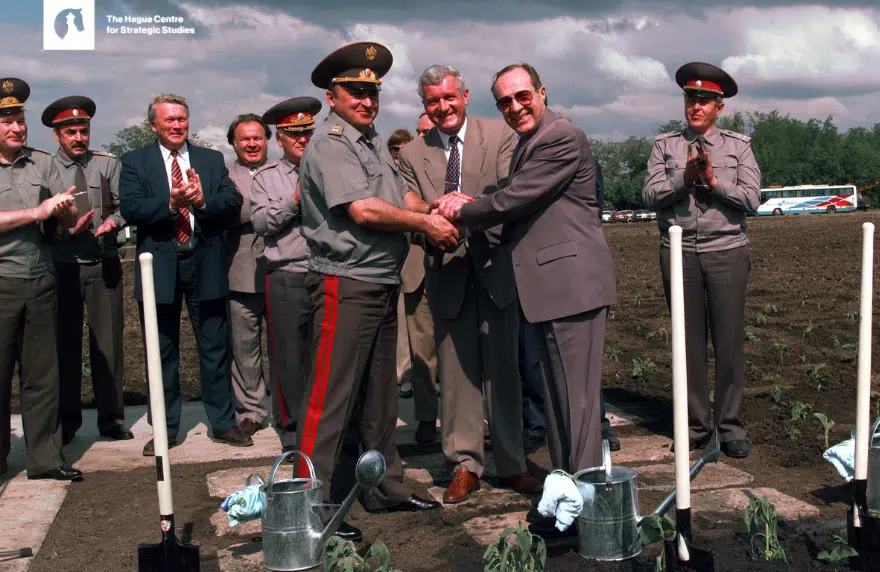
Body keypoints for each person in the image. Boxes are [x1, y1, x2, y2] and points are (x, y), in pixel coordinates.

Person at [296, 42, 454, 541]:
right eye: (355, 92)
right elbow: (363, 209)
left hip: (380, 280)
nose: (366, 101)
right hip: (345, 282)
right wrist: (425, 224)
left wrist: (435, 207)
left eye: (373, 93)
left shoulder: (369, 141)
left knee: (379, 397)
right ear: (332, 97)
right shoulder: (331, 143)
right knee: (330, 399)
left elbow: (398, 195)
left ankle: (383, 486)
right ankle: (307, 505)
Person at [433, 63, 617, 483]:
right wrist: (474, 204)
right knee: (557, 403)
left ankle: (589, 500)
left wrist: (463, 208)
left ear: (542, 92)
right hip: (549, 291)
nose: (514, 107)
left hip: (571, 288)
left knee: (577, 406)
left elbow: (515, 199)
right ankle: (569, 492)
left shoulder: (559, 137)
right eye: (504, 102)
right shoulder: (528, 142)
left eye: (522, 96)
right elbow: (515, 202)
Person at [398, 64, 541, 504]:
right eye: (432, 102)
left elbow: (510, 192)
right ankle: (464, 465)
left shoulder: (500, 135)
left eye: (449, 97)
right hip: (447, 271)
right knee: (456, 377)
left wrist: (465, 207)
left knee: (504, 372)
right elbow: (408, 205)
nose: (442, 107)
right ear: (425, 106)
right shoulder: (411, 153)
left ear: (464, 95)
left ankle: (512, 463)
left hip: (496, 267)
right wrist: (433, 213)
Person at [119, 93, 252, 456]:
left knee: (214, 348)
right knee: (161, 352)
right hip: (160, 266)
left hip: (204, 263)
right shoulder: (135, 161)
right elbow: (131, 207)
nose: (177, 126)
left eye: (182, 119)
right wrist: (171, 204)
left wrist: (202, 201)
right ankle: (165, 429)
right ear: (154, 125)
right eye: (169, 120)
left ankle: (223, 423)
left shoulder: (210, 160)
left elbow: (232, 201)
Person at [642, 62, 761, 458]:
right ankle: (694, 426)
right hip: (678, 254)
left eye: (705, 101)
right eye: (691, 99)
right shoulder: (665, 146)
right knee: (687, 344)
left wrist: (712, 181)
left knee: (729, 342)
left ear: (719, 107)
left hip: (726, 251)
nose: (696, 106)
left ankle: (730, 427)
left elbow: (752, 199)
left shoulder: (738, 147)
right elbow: (649, 195)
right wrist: (685, 179)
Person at [0, 77, 83, 480]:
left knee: (43, 375)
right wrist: (37, 212)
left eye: (20, 120)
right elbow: (37, 212)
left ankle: (46, 459)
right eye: (7, 122)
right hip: (2, 282)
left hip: (40, 279)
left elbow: (67, 216)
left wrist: (66, 210)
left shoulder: (41, 162)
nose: (17, 128)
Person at [42, 95, 133, 446]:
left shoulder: (107, 164)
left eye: (83, 130)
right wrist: (66, 231)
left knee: (108, 346)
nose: (79, 137)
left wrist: (113, 223)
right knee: (63, 346)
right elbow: (41, 217)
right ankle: (67, 421)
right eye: (71, 132)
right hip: (61, 267)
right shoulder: (46, 168)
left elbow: (125, 206)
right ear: (57, 135)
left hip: (102, 264)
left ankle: (111, 419)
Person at [251, 97, 321, 452]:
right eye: (294, 134)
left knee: (323, 356)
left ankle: (322, 425)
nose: (302, 140)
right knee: (289, 358)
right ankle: (293, 429)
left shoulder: (327, 169)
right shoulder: (267, 178)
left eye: (307, 132)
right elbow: (261, 223)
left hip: (325, 272)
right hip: (287, 275)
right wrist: (293, 200)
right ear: (280, 138)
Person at [225, 113, 271, 436]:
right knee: (244, 349)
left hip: (282, 270)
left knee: (287, 348)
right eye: (245, 139)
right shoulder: (223, 176)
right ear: (234, 143)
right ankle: (251, 410)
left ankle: (289, 409)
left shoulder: (285, 170)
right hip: (239, 271)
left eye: (258, 138)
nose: (252, 144)